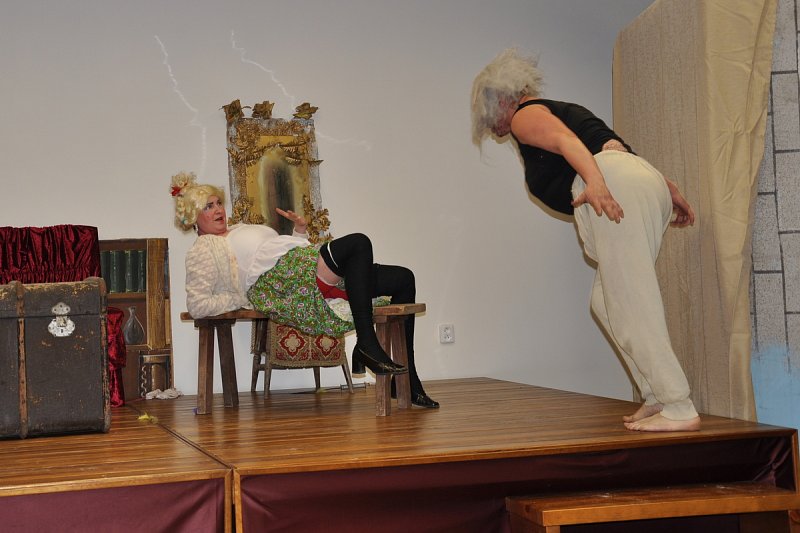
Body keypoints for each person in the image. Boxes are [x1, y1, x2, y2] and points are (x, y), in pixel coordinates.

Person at [470, 49, 699, 432]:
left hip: (614, 185)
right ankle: (657, 395)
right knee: (606, 302)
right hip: (635, 180)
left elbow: (568, 143)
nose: (492, 128)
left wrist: (596, 184)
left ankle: (679, 404)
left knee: (630, 299)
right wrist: (669, 190)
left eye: (489, 116)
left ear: (504, 99)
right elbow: (615, 150)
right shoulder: (560, 109)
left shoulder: (525, 116)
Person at [171, 172, 438, 408]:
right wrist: (238, 298)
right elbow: (198, 305)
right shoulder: (204, 248)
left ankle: (407, 382)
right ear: (194, 218)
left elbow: (275, 252)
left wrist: (299, 231)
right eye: (208, 206)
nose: (218, 209)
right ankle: (366, 344)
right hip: (291, 280)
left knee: (404, 279)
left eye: (218, 203)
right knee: (358, 243)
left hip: (302, 265)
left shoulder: (237, 229)